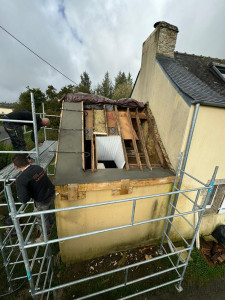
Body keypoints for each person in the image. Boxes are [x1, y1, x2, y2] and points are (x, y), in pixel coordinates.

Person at [12, 154, 55, 243]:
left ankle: (45, 237)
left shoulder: (21, 179)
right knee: (47, 212)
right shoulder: (37, 167)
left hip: (42, 200)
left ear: (15, 166)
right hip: (51, 193)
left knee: (41, 218)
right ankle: (50, 224)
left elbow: (24, 199)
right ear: (28, 160)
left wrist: (21, 194)